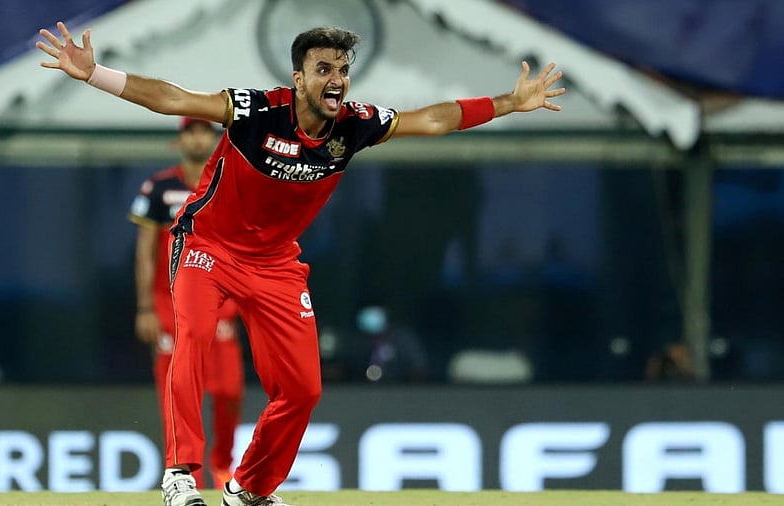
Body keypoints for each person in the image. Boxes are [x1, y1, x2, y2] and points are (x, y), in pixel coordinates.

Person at [37, 21, 565, 506]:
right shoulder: (257, 109)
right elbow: (174, 97)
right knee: (192, 337)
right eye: (323, 69)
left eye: (342, 70)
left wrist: (509, 104)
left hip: (275, 264)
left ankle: (250, 488)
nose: (336, 79)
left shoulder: (355, 126)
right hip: (208, 245)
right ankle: (181, 474)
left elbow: (430, 120)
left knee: (303, 390)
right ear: (298, 77)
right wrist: (95, 74)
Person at [127, 116, 244, 490]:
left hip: (219, 303)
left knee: (228, 393)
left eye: (204, 132)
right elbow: (145, 251)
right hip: (170, 306)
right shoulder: (159, 187)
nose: (197, 139)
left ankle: (222, 461)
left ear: (212, 138)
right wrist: (144, 307)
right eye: (191, 132)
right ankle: (185, 476)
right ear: (181, 140)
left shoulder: (229, 183)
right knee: (176, 396)